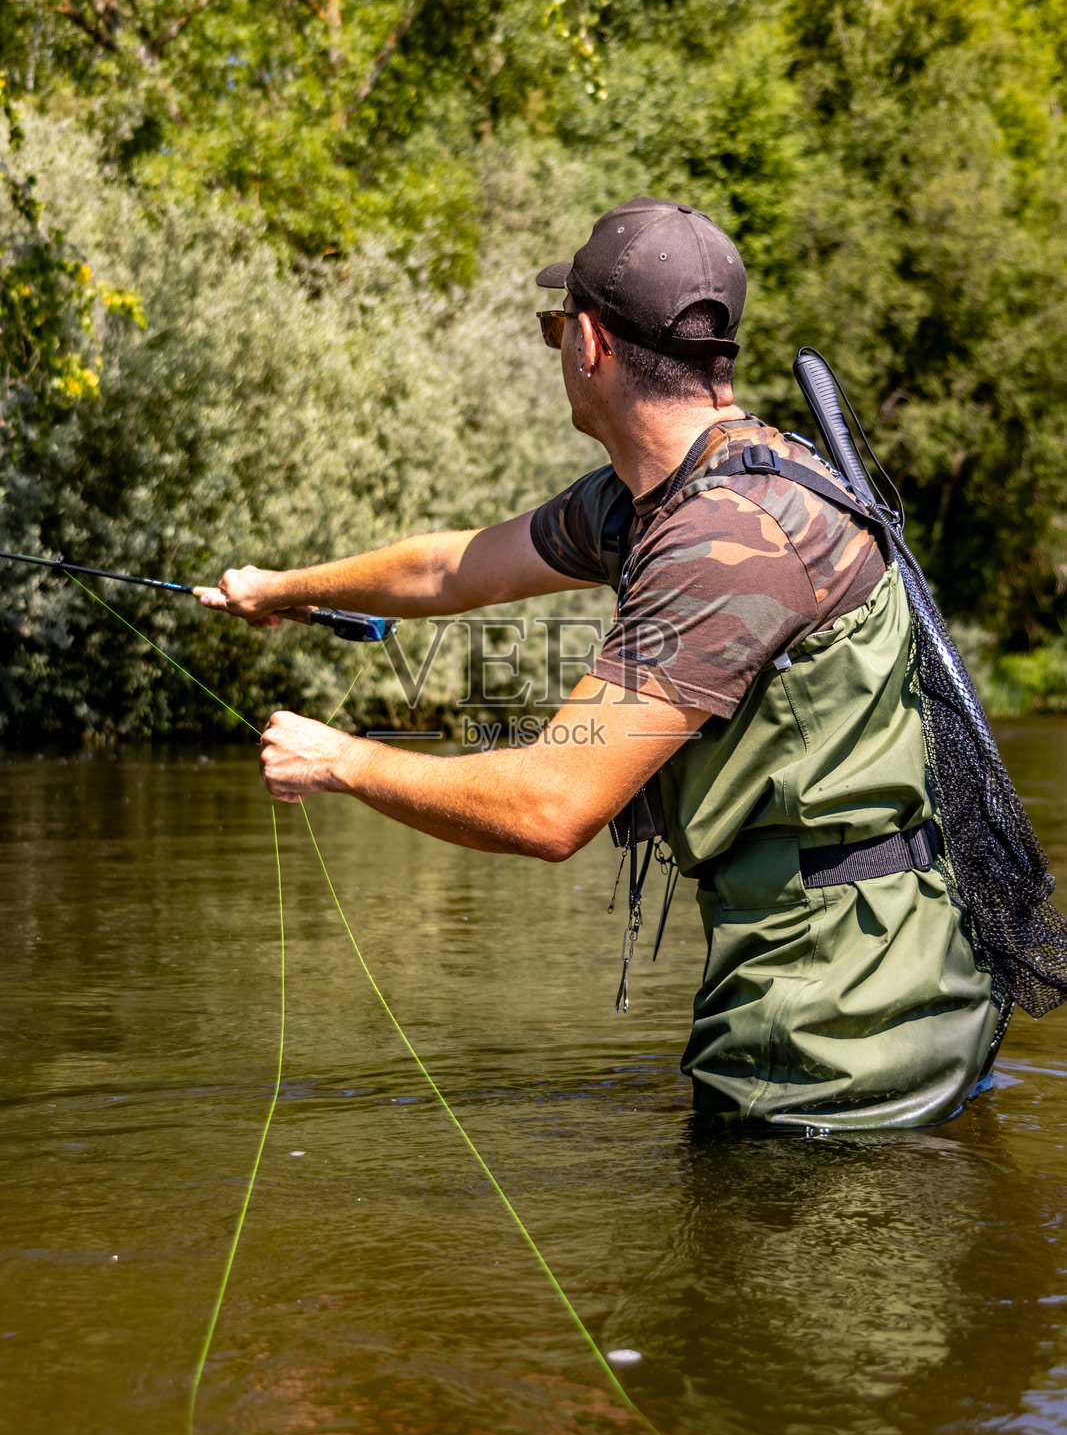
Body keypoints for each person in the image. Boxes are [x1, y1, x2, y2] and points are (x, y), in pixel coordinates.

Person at [197, 196, 1002, 1132]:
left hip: (835, 1030)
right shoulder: (674, 490)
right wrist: (281, 589)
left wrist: (342, 760)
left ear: (587, 342)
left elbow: (550, 806)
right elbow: (450, 567)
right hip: (882, 984)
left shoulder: (720, 541)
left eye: (552, 331)